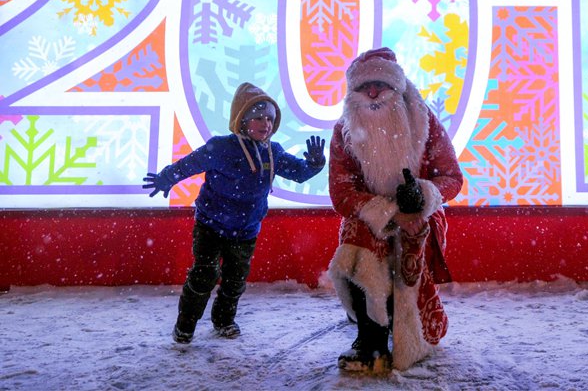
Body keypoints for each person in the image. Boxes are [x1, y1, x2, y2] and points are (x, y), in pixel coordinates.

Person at [143, 82, 326, 344]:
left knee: (235, 280)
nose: (265, 124)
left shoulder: (272, 152)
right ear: (242, 120)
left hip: (246, 230)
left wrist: (315, 164)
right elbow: (188, 165)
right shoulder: (221, 147)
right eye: (258, 118)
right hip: (210, 225)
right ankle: (185, 325)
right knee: (204, 275)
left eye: (269, 119)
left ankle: (224, 320)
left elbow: (298, 173)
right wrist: (166, 178)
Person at [327, 47, 463, 373]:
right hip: (369, 217)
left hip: (419, 215)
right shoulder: (344, 131)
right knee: (359, 241)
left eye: (380, 85)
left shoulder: (424, 122)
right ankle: (370, 338)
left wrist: (423, 197)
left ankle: (402, 328)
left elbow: (452, 178)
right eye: (364, 86)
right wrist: (388, 214)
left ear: (397, 87)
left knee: (408, 244)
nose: (373, 93)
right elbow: (342, 194)